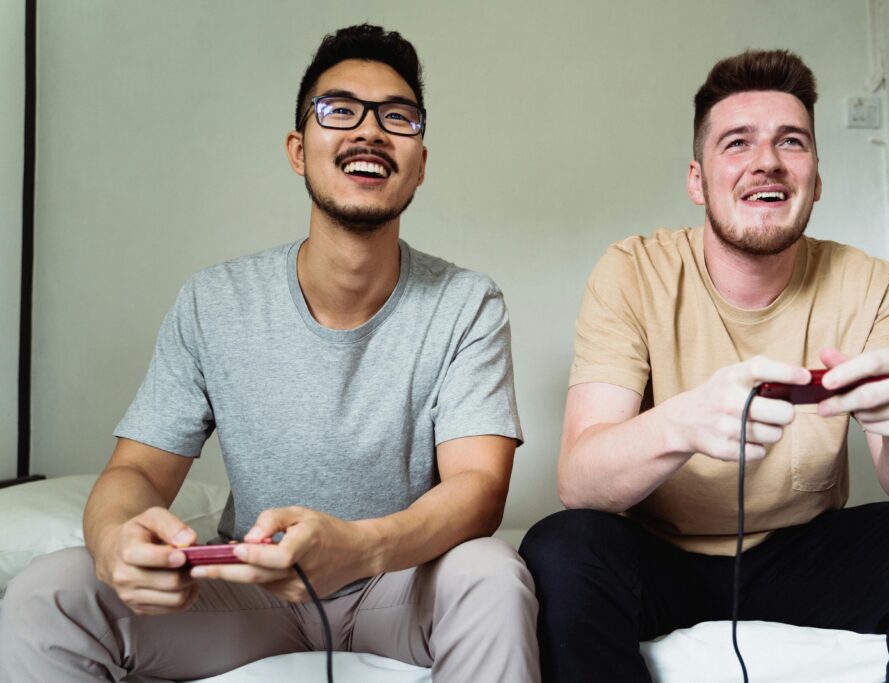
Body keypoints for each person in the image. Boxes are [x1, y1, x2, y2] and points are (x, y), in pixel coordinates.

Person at [1, 24, 539, 683]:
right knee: (49, 589)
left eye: (397, 117)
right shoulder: (214, 301)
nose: (369, 131)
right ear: (297, 148)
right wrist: (114, 539)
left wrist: (365, 547)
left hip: (399, 584)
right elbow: (135, 470)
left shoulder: (466, 303)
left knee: (493, 572)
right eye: (340, 110)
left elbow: (479, 488)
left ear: (420, 162)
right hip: (252, 593)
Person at [519, 49, 889, 682]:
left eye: (792, 142)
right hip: (660, 556)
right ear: (698, 180)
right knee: (559, 547)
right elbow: (580, 482)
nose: (768, 160)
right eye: (738, 143)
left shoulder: (874, 285)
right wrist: (682, 424)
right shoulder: (631, 272)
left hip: (805, 552)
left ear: (816, 178)